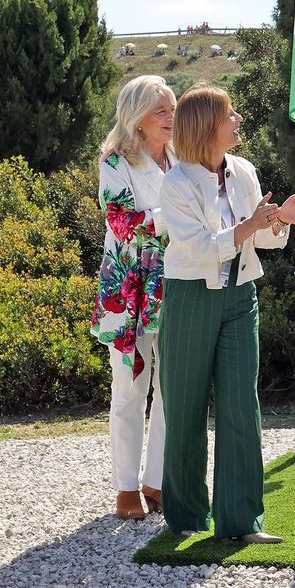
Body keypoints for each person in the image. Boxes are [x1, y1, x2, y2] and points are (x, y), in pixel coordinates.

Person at [157, 85, 295, 541]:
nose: (238, 119)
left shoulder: (243, 171)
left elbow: (263, 241)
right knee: (186, 407)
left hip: (239, 297)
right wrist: (254, 223)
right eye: (230, 114)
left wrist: (280, 219)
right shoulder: (177, 183)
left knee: (241, 407)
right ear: (208, 126)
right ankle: (187, 518)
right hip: (189, 297)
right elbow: (201, 249)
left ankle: (242, 521)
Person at [92, 75, 176, 519]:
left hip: (179, 282)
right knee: (129, 388)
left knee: (172, 388)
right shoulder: (115, 161)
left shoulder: (185, 158)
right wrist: (179, 216)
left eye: (172, 108)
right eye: (161, 110)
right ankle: (125, 486)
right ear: (138, 117)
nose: (170, 117)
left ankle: (157, 481)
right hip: (129, 291)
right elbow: (124, 224)